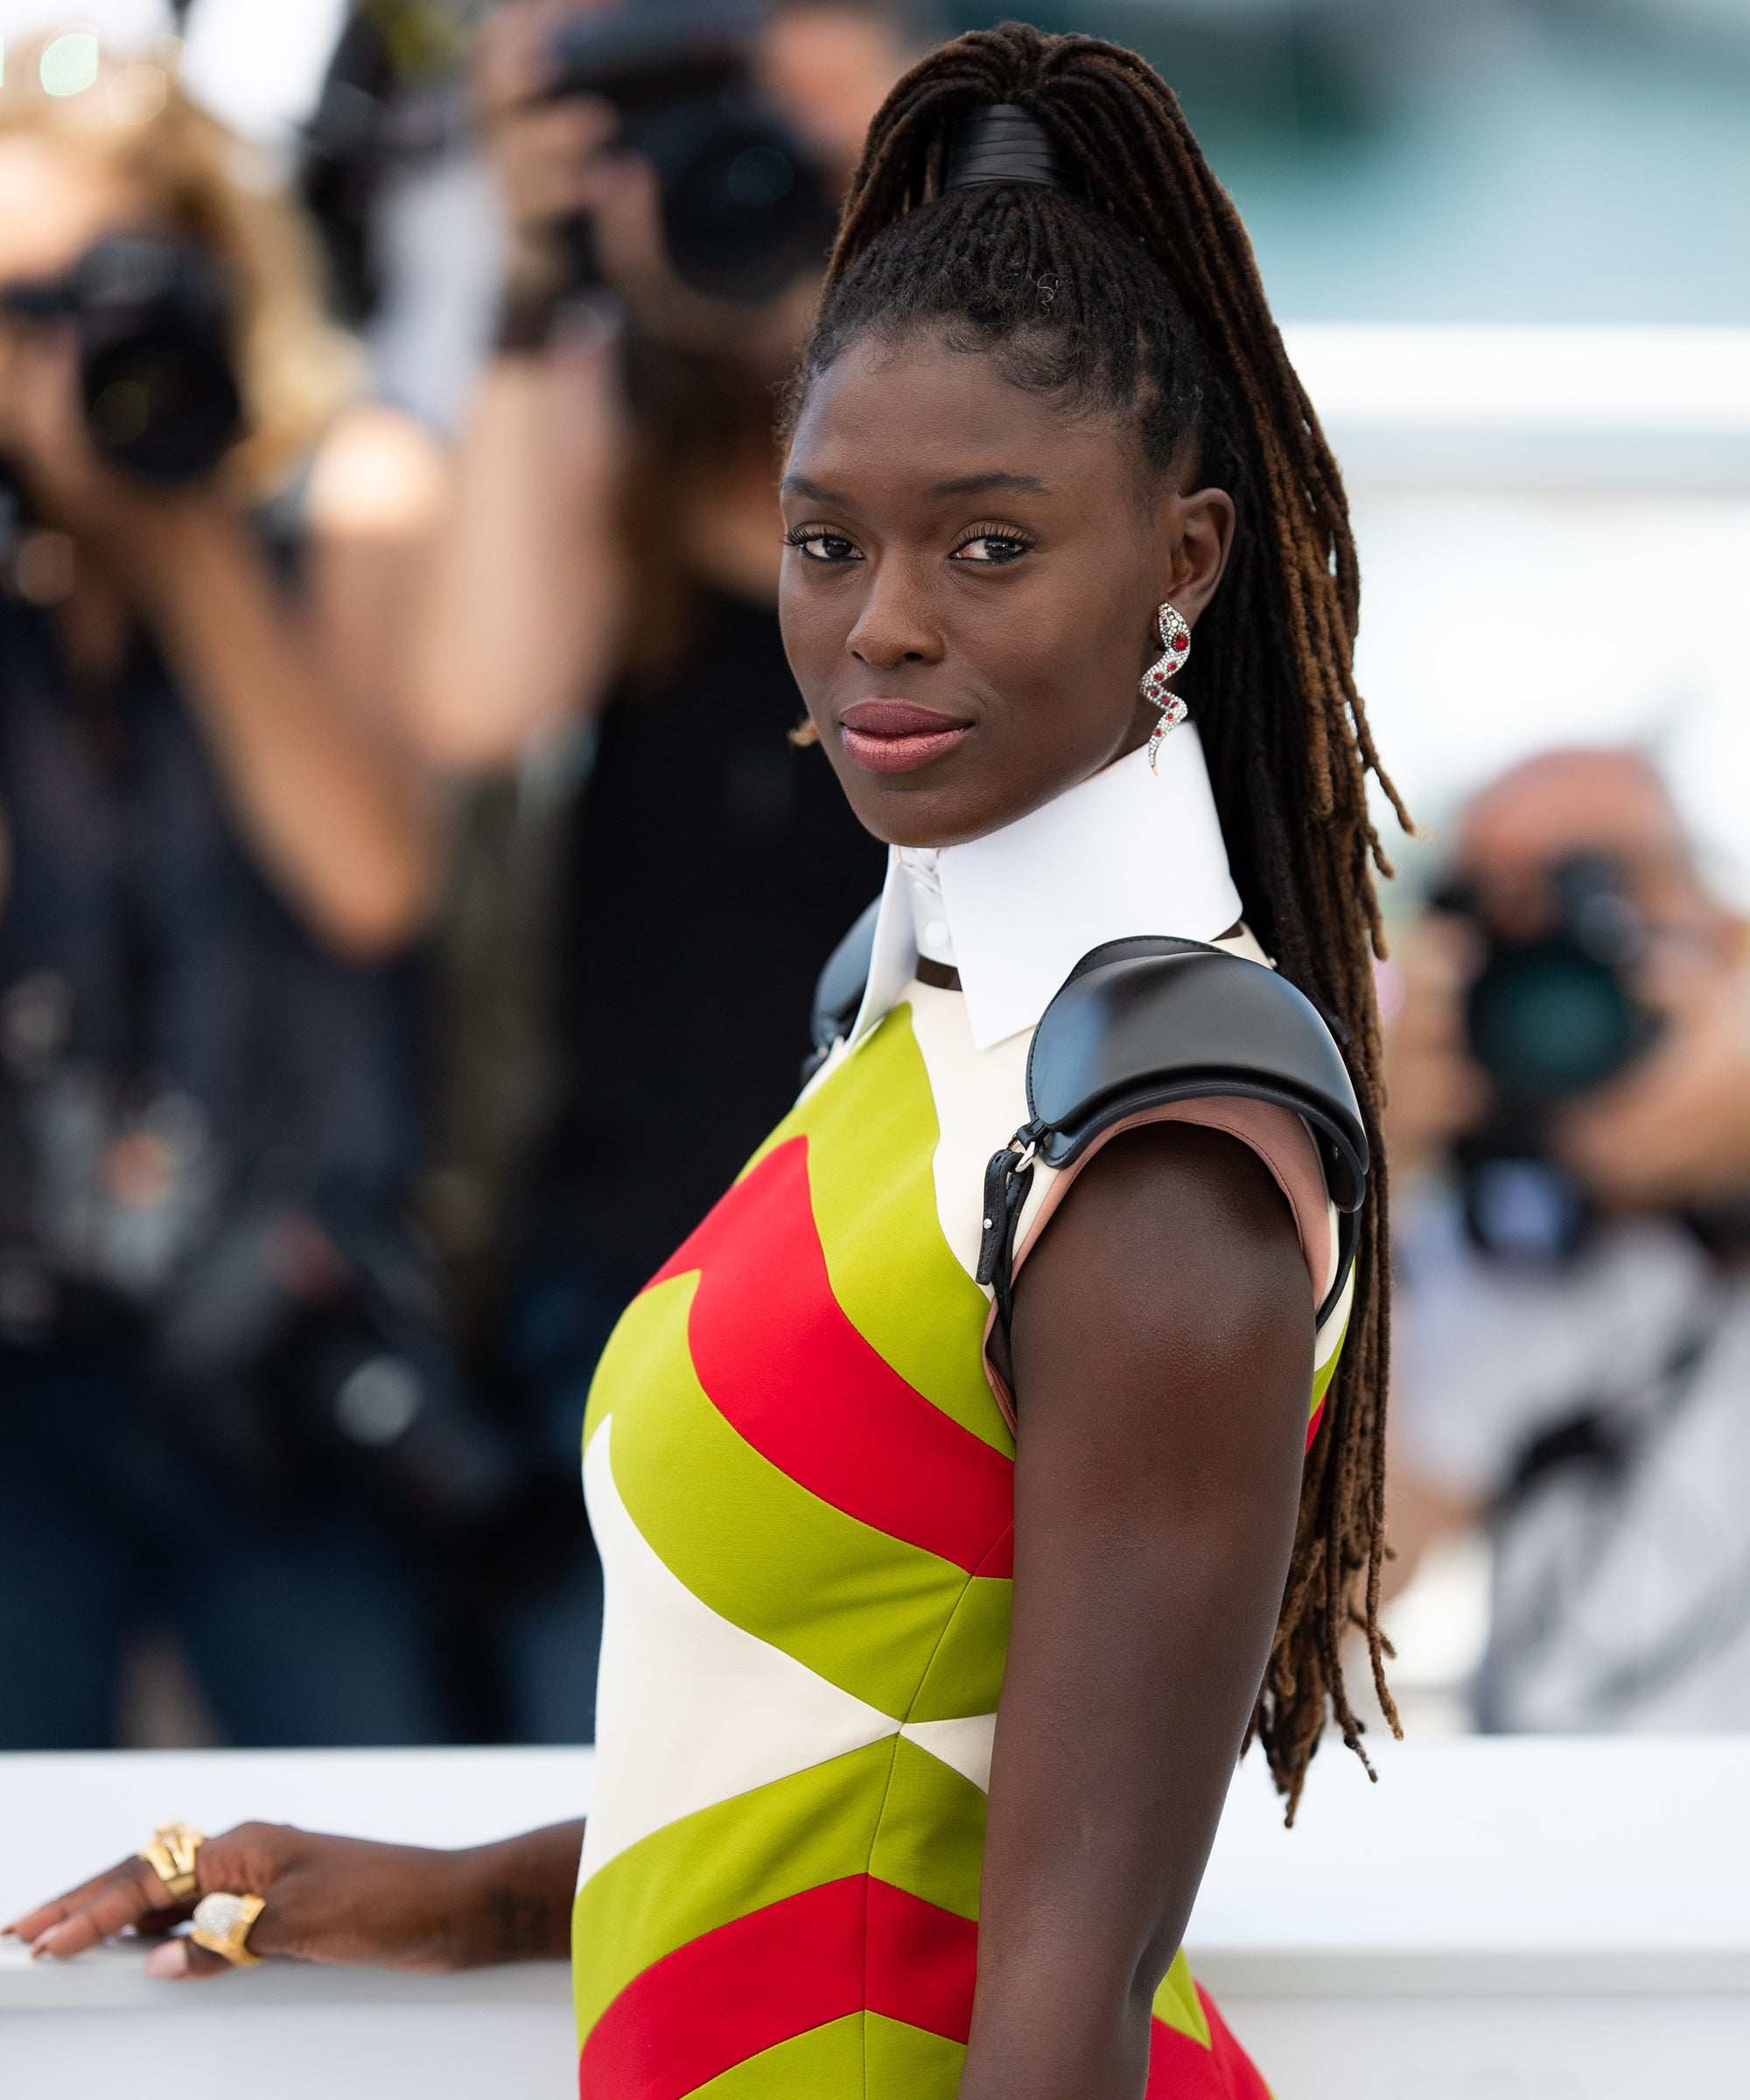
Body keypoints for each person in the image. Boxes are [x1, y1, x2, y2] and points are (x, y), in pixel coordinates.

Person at [10, 26, 1404, 2099]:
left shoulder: (1152, 1150)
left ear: (1181, 560)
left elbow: (1065, 1992)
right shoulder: (908, 1022)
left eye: (989, 544)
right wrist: (462, 1895)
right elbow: (839, 1762)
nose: (880, 625)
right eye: (825, 540)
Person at [401, 0, 914, 1741]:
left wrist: (891, 258)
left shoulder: (1016, 447)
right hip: (644, 1274)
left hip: (924, 1279)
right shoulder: (618, 419)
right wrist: (538, 282)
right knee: (623, 1775)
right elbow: (478, 698)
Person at [0, 42, 453, 1749]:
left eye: (106, 291)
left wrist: (173, 527)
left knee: (362, 1817)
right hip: (26, 1345)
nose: (63, 352)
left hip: (283, 1326)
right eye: (16, 311)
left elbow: (372, 882)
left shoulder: (340, 498)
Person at [1383, 747, 1750, 1732]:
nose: (1544, 940)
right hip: (1563, 1809)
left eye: (1594, 883)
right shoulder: (1479, 1258)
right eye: (1489, 905)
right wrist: (1360, 1181)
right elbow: (1344, 1600)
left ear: (1722, 932)